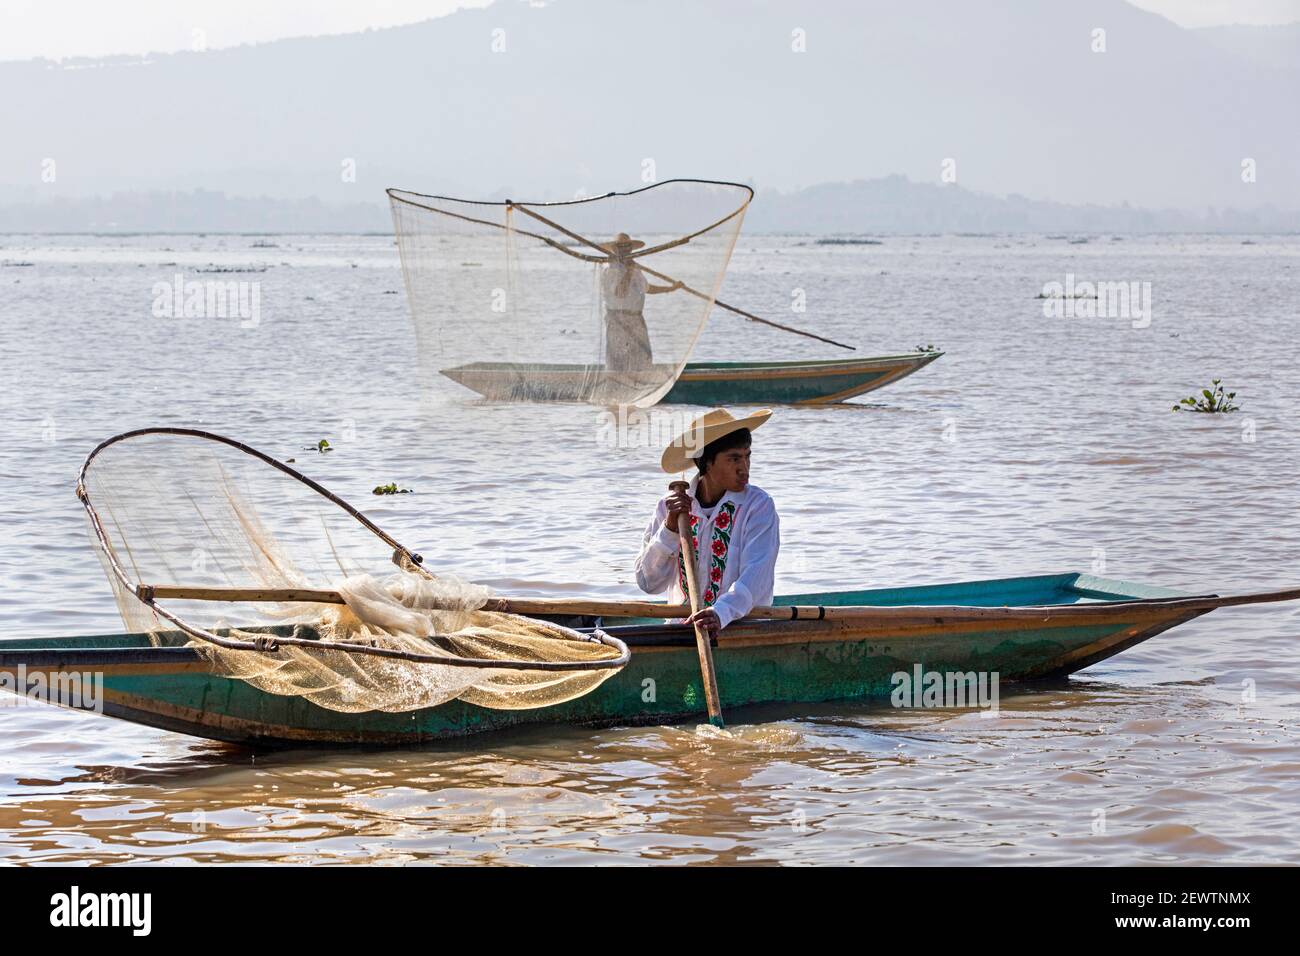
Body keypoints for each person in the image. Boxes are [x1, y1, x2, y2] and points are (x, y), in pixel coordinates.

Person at [634, 408, 779, 638]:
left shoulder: (758, 506)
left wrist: (720, 613)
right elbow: (647, 582)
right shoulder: (669, 507)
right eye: (733, 459)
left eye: (747, 456)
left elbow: (756, 578)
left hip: (742, 632)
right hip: (680, 631)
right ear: (707, 463)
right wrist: (670, 528)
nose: (744, 468)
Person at [600, 233, 680, 372]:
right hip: (618, 320)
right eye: (621, 246)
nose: (625, 249)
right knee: (618, 360)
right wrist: (629, 271)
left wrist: (671, 288)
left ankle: (641, 381)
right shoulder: (610, 271)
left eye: (628, 246)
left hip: (636, 318)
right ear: (615, 249)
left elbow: (646, 288)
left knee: (642, 357)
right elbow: (620, 293)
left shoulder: (634, 269)